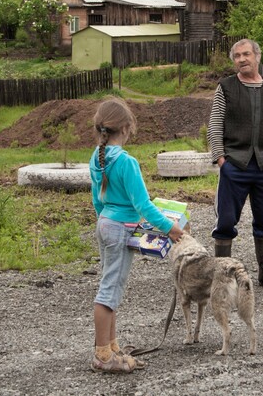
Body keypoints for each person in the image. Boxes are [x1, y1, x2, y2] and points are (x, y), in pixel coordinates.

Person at [89, 97, 184, 373]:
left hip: (105, 224)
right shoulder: (127, 162)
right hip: (119, 228)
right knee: (109, 291)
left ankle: (112, 346)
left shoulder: (98, 156)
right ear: (128, 127)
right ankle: (103, 355)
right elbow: (143, 205)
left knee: (112, 287)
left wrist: (104, 219)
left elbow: (98, 198)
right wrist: (170, 228)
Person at [207, 38, 263, 287]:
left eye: (246, 54)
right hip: (235, 165)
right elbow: (215, 125)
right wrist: (221, 159)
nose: (242, 59)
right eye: (237, 56)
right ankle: (222, 278)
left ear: (257, 56)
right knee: (225, 220)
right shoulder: (226, 87)